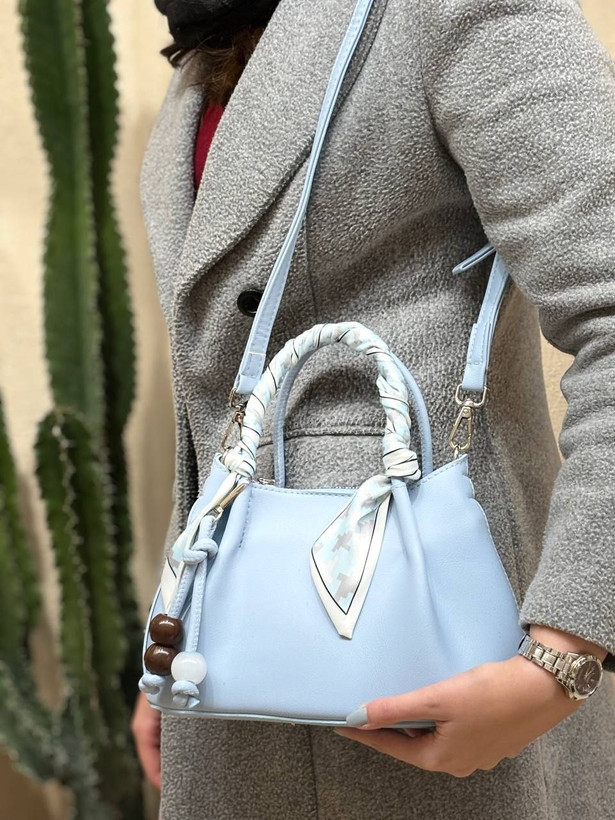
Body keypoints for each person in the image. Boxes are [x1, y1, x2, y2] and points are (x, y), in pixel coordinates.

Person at [131, 0, 615, 817]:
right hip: (237, 671)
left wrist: (563, 652)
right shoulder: (206, 54)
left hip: (444, 678)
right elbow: (221, 402)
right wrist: (182, 625)